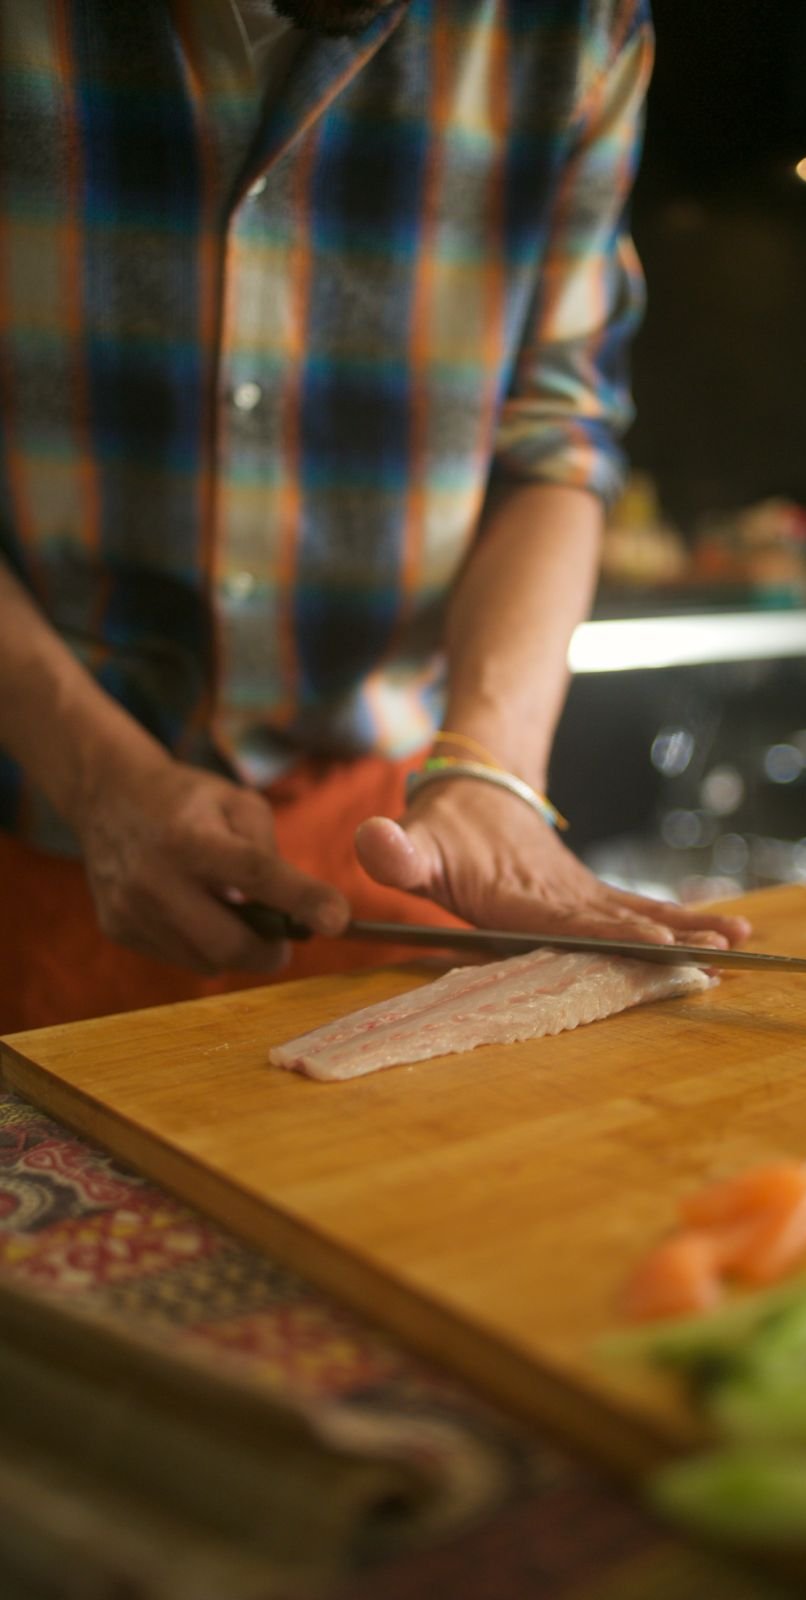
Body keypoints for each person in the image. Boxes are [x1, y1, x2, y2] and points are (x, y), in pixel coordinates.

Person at [0, 0, 749, 1033]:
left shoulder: (580, 29)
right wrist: (92, 773)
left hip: (395, 851)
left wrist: (493, 767)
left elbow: (557, 443)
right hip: (35, 835)